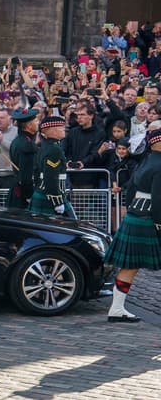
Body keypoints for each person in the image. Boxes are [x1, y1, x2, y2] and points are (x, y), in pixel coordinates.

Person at [102, 127, 161, 323]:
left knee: (130, 266)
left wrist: (131, 210)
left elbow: (130, 190)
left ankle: (117, 308)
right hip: (149, 219)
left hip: (135, 216)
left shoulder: (146, 161)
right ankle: (117, 308)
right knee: (131, 266)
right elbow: (159, 199)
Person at [31, 115, 75, 219]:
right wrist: (57, 202)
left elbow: (37, 172)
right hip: (51, 196)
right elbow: (51, 177)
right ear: (52, 131)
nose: (64, 130)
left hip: (42, 192)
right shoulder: (54, 149)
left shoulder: (44, 146)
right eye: (61, 128)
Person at [6, 109, 39, 210]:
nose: (38, 123)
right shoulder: (27, 145)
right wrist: (29, 195)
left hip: (18, 189)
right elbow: (26, 175)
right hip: (23, 194)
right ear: (29, 125)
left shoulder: (17, 141)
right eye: (36, 121)